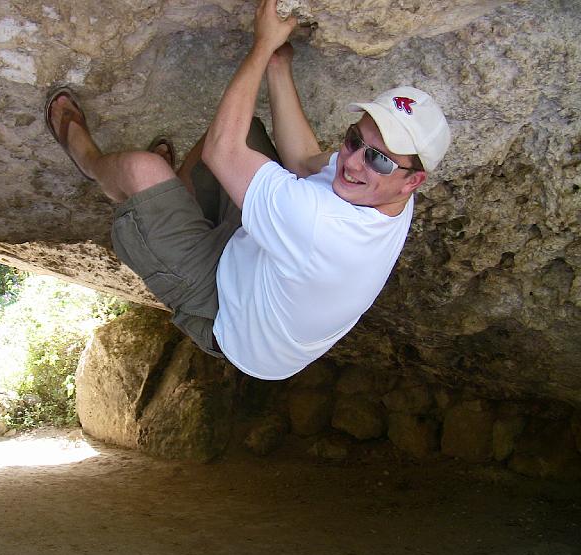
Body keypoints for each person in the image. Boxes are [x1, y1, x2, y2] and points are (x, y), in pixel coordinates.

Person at [44, 0, 450, 380]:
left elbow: (223, 152)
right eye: (353, 139)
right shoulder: (391, 192)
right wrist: (277, 65)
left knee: (144, 168)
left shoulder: (321, 226)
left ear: (413, 181)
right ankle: (172, 198)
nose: (354, 162)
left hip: (227, 316)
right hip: (261, 272)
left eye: (378, 159)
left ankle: (94, 166)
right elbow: (305, 159)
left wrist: (263, 44)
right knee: (247, 131)